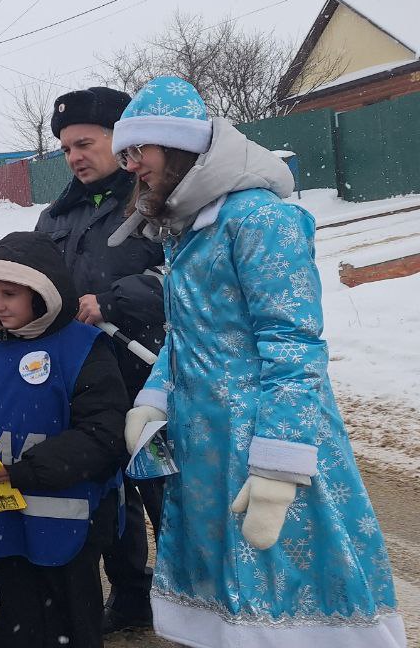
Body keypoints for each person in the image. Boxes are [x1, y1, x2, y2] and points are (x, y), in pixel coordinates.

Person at [111, 75, 404, 647]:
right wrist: (156, 396)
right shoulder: (187, 228)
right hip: (207, 449)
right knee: (225, 602)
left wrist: (279, 465)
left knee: (282, 601)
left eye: (137, 149)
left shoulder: (260, 220)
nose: (129, 165)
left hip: (259, 446)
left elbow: (295, 348)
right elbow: (189, 332)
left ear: (179, 146)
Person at [0, 231, 128, 648]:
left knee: (73, 621)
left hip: (69, 517)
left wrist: (26, 472)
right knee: (18, 614)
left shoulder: (84, 348)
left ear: (41, 293)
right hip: (4, 512)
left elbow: (102, 435)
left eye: (10, 293)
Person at [36, 86, 166, 632]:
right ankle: (133, 594)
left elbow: (186, 282)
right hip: (86, 380)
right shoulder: (55, 216)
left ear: (122, 138)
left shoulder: (155, 201)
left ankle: (196, 599)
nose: (75, 157)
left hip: (149, 372)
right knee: (110, 494)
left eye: (85, 143)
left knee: (164, 489)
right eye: (66, 149)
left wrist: (116, 300)